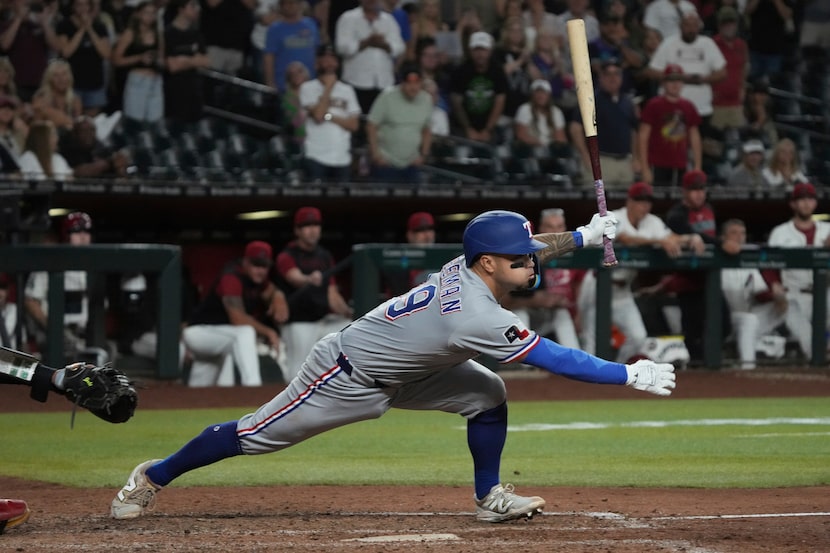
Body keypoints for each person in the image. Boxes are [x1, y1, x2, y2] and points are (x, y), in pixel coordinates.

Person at [109, 208, 676, 523]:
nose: (530, 262)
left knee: (488, 393)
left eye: (529, 254)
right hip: (345, 375)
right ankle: (152, 475)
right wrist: (628, 373)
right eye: (519, 258)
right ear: (488, 263)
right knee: (254, 434)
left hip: (410, 369)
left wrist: (580, 234)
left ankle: (489, 498)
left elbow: (530, 246)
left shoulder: (467, 264)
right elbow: (555, 357)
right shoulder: (475, 314)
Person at [578, 182, 704, 362]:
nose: (644, 206)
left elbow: (671, 238)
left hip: (622, 290)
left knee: (638, 337)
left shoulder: (652, 221)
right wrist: (658, 242)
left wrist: (691, 237)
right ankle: (583, 384)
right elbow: (625, 239)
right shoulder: (615, 217)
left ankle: (616, 371)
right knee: (591, 343)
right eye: (639, 201)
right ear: (629, 201)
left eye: (647, 202)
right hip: (597, 286)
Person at [182, 240, 288, 387]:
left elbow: (271, 290)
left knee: (199, 389)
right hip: (199, 332)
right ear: (245, 262)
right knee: (244, 332)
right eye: (256, 264)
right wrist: (269, 332)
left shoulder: (257, 281)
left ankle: (188, 404)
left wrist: (278, 296)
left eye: (264, 266)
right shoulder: (232, 276)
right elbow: (237, 319)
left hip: (219, 338)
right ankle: (253, 387)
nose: (261, 270)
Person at [664, 169, 739, 365]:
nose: (699, 194)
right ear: (685, 192)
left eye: (702, 189)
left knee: (724, 324)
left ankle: (709, 360)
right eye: (694, 189)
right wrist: (721, 243)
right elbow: (690, 233)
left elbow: (709, 238)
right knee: (692, 330)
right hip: (687, 280)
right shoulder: (676, 215)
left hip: (709, 279)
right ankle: (699, 371)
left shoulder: (709, 209)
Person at [274, 206, 353, 382]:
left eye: (316, 225)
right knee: (297, 369)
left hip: (322, 320)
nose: (312, 230)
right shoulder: (287, 254)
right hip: (297, 322)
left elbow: (332, 293)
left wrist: (348, 312)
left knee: (350, 329)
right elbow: (294, 277)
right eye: (307, 226)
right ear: (297, 230)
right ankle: (289, 403)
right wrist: (308, 278)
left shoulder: (324, 255)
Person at [23, 212, 105, 363]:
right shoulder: (49, 262)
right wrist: (55, 329)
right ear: (65, 235)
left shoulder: (94, 268)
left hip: (82, 336)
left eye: (87, 231)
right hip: (52, 336)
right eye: (77, 231)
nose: (83, 236)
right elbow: (30, 301)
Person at [767, 182, 830, 359]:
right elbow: (768, 264)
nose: (806, 203)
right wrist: (774, 285)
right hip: (795, 294)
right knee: (798, 322)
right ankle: (818, 359)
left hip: (826, 291)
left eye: (810, 199)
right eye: (801, 199)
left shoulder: (828, 230)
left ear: (815, 203)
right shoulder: (780, 233)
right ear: (793, 204)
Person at [503, 208, 581, 350]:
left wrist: (552, 300)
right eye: (550, 227)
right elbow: (502, 302)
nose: (556, 233)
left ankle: (576, 358)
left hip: (541, 317)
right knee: (520, 314)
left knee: (561, 313)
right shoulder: (506, 257)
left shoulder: (537, 254)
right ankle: (523, 368)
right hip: (508, 323)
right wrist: (536, 300)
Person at [719, 219, 787, 369]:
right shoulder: (717, 259)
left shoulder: (747, 261)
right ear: (723, 238)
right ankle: (748, 365)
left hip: (746, 317)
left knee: (790, 304)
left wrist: (776, 296)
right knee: (749, 320)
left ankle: (752, 343)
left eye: (742, 233)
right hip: (723, 319)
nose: (739, 237)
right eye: (734, 233)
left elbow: (760, 293)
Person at [569, 58, 639, 189]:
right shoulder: (590, 99)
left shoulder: (627, 102)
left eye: (617, 73)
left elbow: (634, 131)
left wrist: (635, 158)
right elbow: (575, 128)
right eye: (608, 74)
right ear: (601, 77)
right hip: (601, 161)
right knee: (597, 206)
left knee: (623, 206)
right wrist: (586, 157)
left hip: (625, 162)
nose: (613, 78)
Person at [299, 43, 361, 184]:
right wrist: (329, 87)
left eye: (332, 59)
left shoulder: (347, 90)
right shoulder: (308, 88)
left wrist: (330, 116)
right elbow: (318, 116)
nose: (329, 63)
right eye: (325, 59)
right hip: (316, 156)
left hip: (342, 158)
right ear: (317, 63)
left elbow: (354, 125)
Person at [365, 63, 433, 185]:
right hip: (386, 163)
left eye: (417, 82)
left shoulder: (426, 99)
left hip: (412, 164)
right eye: (409, 83)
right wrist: (376, 155)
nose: (413, 87)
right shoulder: (387, 96)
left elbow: (426, 129)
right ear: (402, 82)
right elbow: (371, 125)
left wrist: (424, 155)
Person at [334, 0, 405, 113]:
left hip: (384, 82)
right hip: (356, 82)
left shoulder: (388, 20)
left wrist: (384, 45)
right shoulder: (348, 18)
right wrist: (366, 42)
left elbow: (399, 47)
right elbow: (341, 48)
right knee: (359, 121)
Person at [638, 64, 702, 187]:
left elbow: (695, 137)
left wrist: (697, 166)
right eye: (670, 80)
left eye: (678, 80)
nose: (675, 84)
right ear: (663, 83)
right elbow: (643, 137)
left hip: (681, 164)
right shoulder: (653, 105)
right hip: (656, 164)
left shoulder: (688, 106)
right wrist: (644, 167)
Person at [55, 0, 113, 116]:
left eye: (86, 4)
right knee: (72, 118)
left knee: (92, 122)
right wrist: (82, 29)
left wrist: (90, 29)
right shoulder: (64, 25)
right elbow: (66, 52)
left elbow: (106, 54)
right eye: (79, 4)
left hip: (95, 81)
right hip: (72, 83)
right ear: (73, 6)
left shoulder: (99, 26)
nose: (83, 8)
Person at [110, 1, 164, 124]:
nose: (150, 16)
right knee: (134, 122)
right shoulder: (130, 33)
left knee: (155, 122)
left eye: (153, 13)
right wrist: (139, 58)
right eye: (146, 13)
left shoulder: (157, 33)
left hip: (155, 81)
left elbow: (161, 56)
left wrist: (158, 61)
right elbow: (116, 60)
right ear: (138, 14)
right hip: (137, 80)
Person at [449, 31, 507, 143]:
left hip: (489, 126)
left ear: (490, 51)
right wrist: (468, 129)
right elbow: (456, 103)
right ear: (470, 51)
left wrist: (488, 129)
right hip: (463, 126)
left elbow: (500, 101)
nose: (480, 54)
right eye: (477, 49)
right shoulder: (460, 71)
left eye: (484, 50)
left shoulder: (498, 71)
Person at [164, 0, 211, 125]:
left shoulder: (196, 34)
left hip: (194, 92)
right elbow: (172, 66)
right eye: (193, 6)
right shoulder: (167, 34)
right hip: (173, 92)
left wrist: (184, 60)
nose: (198, 9)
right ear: (181, 9)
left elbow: (206, 61)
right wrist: (194, 60)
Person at [262, 0, 319, 94]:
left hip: (310, 85)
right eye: (286, 3)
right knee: (290, 108)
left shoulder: (311, 24)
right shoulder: (275, 29)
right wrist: (270, 83)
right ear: (281, 6)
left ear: (300, 4)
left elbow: (317, 52)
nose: (290, 6)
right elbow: (269, 57)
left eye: (293, 3)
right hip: (285, 86)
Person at [58, 115, 129, 178]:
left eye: (92, 130)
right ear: (75, 134)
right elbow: (77, 173)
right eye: (84, 131)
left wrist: (119, 166)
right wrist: (107, 163)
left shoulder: (101, 147)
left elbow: (118, 167)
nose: (88, 134)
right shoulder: (67, 149)